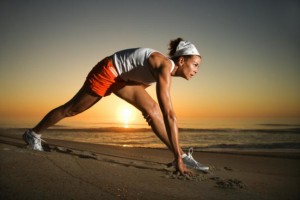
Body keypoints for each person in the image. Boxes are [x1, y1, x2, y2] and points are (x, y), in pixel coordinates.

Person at [23, 38, 209, 174]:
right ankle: (33, 134)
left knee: (151, 109)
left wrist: (141, 101)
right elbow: (169, 114)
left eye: (198, 66)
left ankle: (182, 156)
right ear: (182, 60)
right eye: (194, 65)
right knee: (72, 109)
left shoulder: (164, 68)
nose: (196, 70)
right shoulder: (163, 67)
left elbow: (139, 77)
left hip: (123, 78)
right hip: (108, 72)